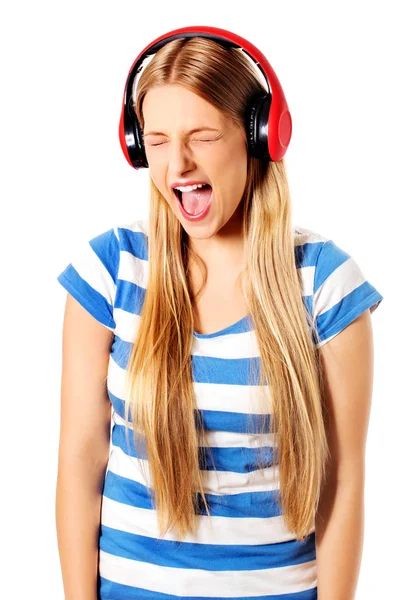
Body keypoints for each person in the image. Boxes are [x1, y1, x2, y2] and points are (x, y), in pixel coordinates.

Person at [55, 27, 384, 600]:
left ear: (259, 137)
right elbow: (81, 461)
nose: (177, 163)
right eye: (156, 141)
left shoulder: (326, 285)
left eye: (202, 137)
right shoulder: (109, 270)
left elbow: (342, 481)